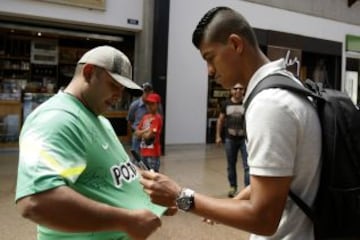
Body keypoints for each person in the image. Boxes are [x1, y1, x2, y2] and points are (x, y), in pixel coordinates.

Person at [140, 6, 321, 240]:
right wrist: (232, 205)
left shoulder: (269, 104)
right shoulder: (288, 84)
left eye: (210, 57)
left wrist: (180, 195)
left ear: (235, 44)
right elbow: (279, 176)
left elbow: (263, 219)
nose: (209, 71)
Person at [15, 45, 169, 240]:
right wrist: (126, 221)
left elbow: (117, 171)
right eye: (113, 85)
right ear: (88, 73)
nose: (119, 95)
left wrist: (156, 196)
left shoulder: (100, 119)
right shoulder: (57, 118)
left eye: (122, 89)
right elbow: (36, 201)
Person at [216, 83, 249, 197]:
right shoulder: (225, 104)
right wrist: (218, 136)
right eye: (235, 88)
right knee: (231, 165)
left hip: (244, 140)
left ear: (244, 90)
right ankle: (233, 187)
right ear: (231, 90)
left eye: (241, 88)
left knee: (247, 166)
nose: (238, 91)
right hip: (230, 140)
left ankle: (248, 189)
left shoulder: (247, 103)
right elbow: (220, 120)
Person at [135, 93, 163, 172]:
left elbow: (150, 136)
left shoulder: (157, 118)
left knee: (152, 175)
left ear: (157, 105)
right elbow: (136, 133)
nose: (149, 106)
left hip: (153, 153)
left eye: (152, 104)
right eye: (148, 103)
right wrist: (146, 130)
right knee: (143, 175)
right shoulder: (145, 117)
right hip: (143, 151)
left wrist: (142, 133)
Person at [127, 82, 154, 156]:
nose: (147, 94)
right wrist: (130, 138)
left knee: (148, 159)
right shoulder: (135, 105)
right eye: (145, 92)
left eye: (149, 92)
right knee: (136, 158)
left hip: (149, 136)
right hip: (138, 136)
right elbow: (130, 121)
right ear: (142, 92)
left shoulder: (154, 105)